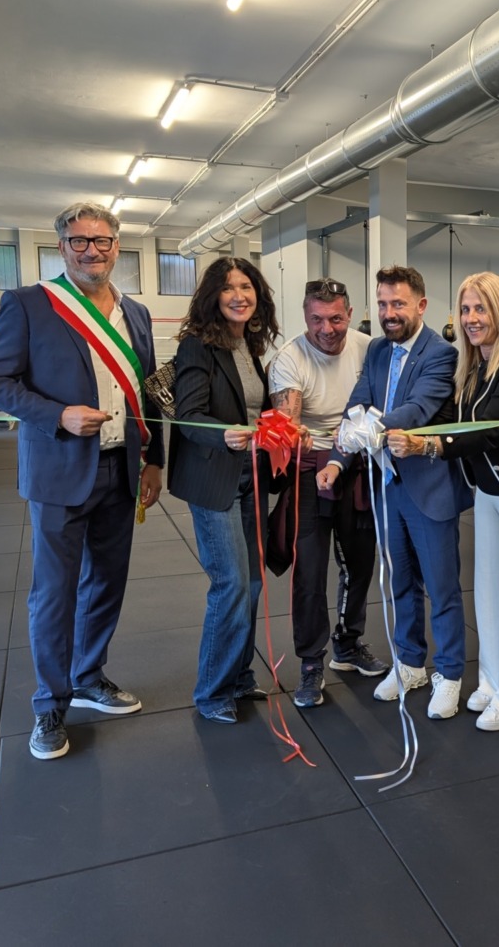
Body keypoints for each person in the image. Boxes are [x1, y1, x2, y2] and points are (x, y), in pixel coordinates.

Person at [0, 201, 164, 760]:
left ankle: (88, 676)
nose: (91, 250)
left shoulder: (136, 314)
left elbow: (147, 392)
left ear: (116, 246)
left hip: (122, 467)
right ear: (62, 247)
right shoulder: (30, 305)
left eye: (102, 240)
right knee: (53, 594)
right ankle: (50, 705)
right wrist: (57, 415)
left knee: (107, 582)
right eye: (79, 241)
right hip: (60, 467)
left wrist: (154, 459)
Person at [387, 272, 499, 731]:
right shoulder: (475, 365)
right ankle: (492, 679)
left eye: (480, 308)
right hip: (488, 488)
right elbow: (451, 414)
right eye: (465, 309)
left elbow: (488, 430)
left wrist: (427, 446)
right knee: (488, 592)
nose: (471, 319)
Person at [319, 265, 472, 719]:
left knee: (441, 588)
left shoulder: (441, 354)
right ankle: (409, 663)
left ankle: (449, 673)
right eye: (383, 304)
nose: (389, 313)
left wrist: (365, 428)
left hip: (429, 487)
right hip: (388, 487)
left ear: (421, 305)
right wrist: (336, 457)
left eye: (398, 303)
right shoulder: (378, 351)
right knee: (399, 583)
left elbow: (418, 408)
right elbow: (355, 405)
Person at [167, 257, 280, 724]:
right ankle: (212, 691)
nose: (239, 295)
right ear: (213, 295)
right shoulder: (199, 345)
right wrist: (225, 433)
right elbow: (189, 414)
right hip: (215, 478)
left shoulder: (248, 344)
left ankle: (238, 676)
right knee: (230, 583)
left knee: (252, 582)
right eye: (229, 287)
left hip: (252, 475)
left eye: (247, 286)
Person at [269, 278, 388, 709]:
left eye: (336, 318)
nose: (327, 328)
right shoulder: (289, 359)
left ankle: (348, 642)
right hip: (308, 471)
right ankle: (310, 662)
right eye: (317, 319)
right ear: (305, 317)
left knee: (359, 562)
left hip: (357, 466)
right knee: (310, 570)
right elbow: (287, 420)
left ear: (350, 314)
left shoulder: (368, 348)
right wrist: (291, 430)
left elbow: (379, 405)